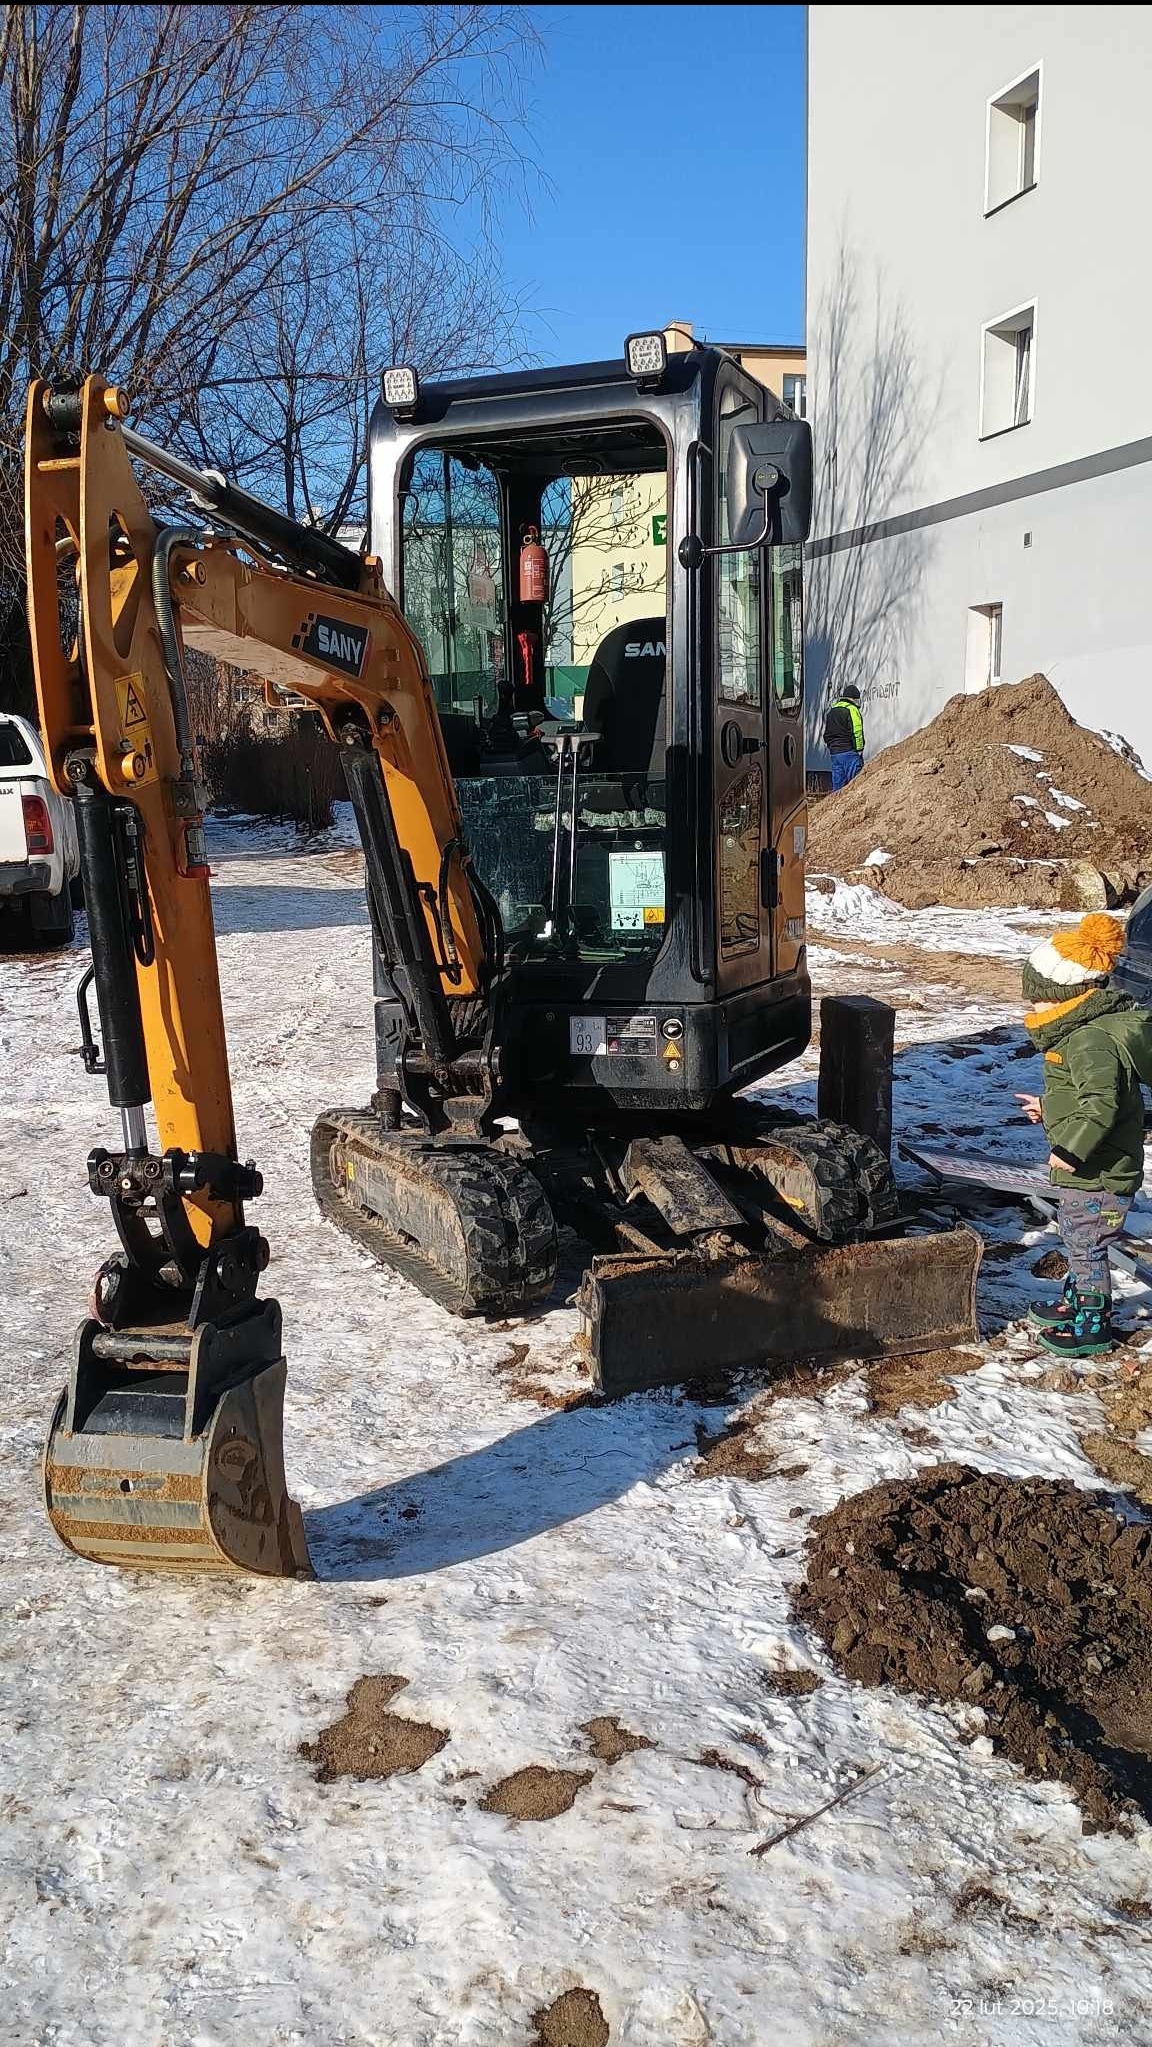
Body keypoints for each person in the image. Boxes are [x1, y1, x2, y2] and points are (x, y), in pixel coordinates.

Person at [1016, 913, 1152, 1357]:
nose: (1032, 1010)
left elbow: (1102, 1105)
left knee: (1088, 1248)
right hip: (1091, 1170)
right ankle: (1075, 1304)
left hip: (1099, 1173)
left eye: (1037, 1001)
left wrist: (1070, 1150)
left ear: (1067, 997)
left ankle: (1092, 1327)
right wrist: (1048, 1106)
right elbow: (1083, 1095)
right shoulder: (1077, 1035)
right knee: (1078, 1241)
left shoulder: (1090, 1040)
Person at [823, 683, 865, 791]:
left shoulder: (832, 710)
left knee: (838, 789)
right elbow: (857, 731)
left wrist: (832, 747)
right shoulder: (852, 709)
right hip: (849, 753)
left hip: (835, 754)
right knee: (856, 785)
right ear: (855, 699)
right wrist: (859, 749)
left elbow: (827, 734)